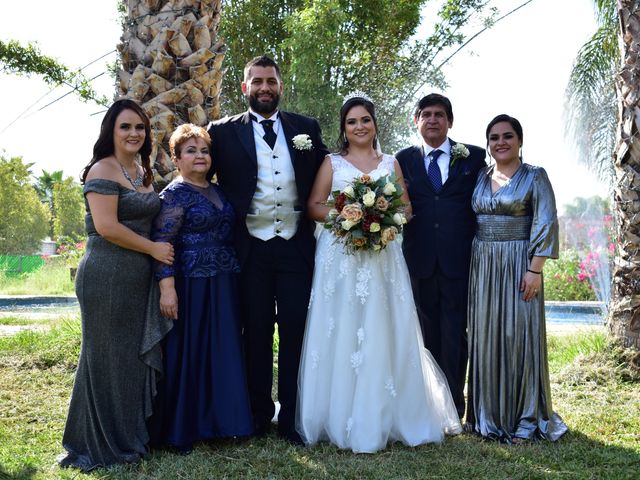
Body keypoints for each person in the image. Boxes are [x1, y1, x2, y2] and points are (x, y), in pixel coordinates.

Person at [296, 93, 461, 453]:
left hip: (382, 256)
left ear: (375, 124)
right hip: (340, 257)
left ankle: (392, 412)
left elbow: (406, 207)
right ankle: (337, 413)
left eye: (365, 120)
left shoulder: (391, 163)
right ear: (344, 127)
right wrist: (348, 217)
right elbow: (313, 206)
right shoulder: (332, 163)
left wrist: (381, 221)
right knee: (341, 328)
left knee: (382, 326)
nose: (359, 127)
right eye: (352, 121)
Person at [207, 55, 329, 443]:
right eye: (256, 81)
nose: (264, 88)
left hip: (295, 247)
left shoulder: (305, 128)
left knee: (296, 330)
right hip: (249, 248)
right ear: (244, 87)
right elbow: (196, 174)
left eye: (271, 81)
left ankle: (292, 416)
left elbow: (331, 171)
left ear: (280, 85)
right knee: (255, 332)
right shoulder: (221, 132)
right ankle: (258, 414)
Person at [59, 98, 174, 471]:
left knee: (127, 360)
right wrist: (154, 249)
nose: (133, 133)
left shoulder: (140, 170)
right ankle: (98, 444)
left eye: (139, 127)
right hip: (106, 274)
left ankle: (127, 435)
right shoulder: (102, 169)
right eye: (125, 127)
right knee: (104, 359)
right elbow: (107, 227)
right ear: (111, 130)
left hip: (136, 277)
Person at [147, 124, 254, 452]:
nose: (199, 156)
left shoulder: (218, 191)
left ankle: (223, 423)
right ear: (176, 159)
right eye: (190, 151)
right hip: (191, 284)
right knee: (190, 352)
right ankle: (185, 427)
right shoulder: (174, 194)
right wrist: (167, 289)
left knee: (222, 349)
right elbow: (162, 240)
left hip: (223, 281)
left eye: (204, 150)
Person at [466, 114, 568, 443]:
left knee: (518, 335)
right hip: (483, 263)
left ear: (520, 140)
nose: (501, 142)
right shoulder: (481, 176)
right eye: (494, 137)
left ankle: (525, 419)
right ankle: (487, 416)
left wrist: (535, 269)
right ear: (488, 144)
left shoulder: (535, 176)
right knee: (486, 336)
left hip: (519, 263)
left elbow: (546, 222)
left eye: (507, 136)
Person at [396, 93, 486, 418]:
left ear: (450, 121)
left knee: (455, 334)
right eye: (427, 114)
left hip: (459, 261)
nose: (433, 120)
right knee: (425, 334)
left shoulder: (474, 157)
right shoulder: (402, 159)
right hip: (419, 261)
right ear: (416, 121)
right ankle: (431, 406)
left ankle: (455, 407)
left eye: (439, 115)